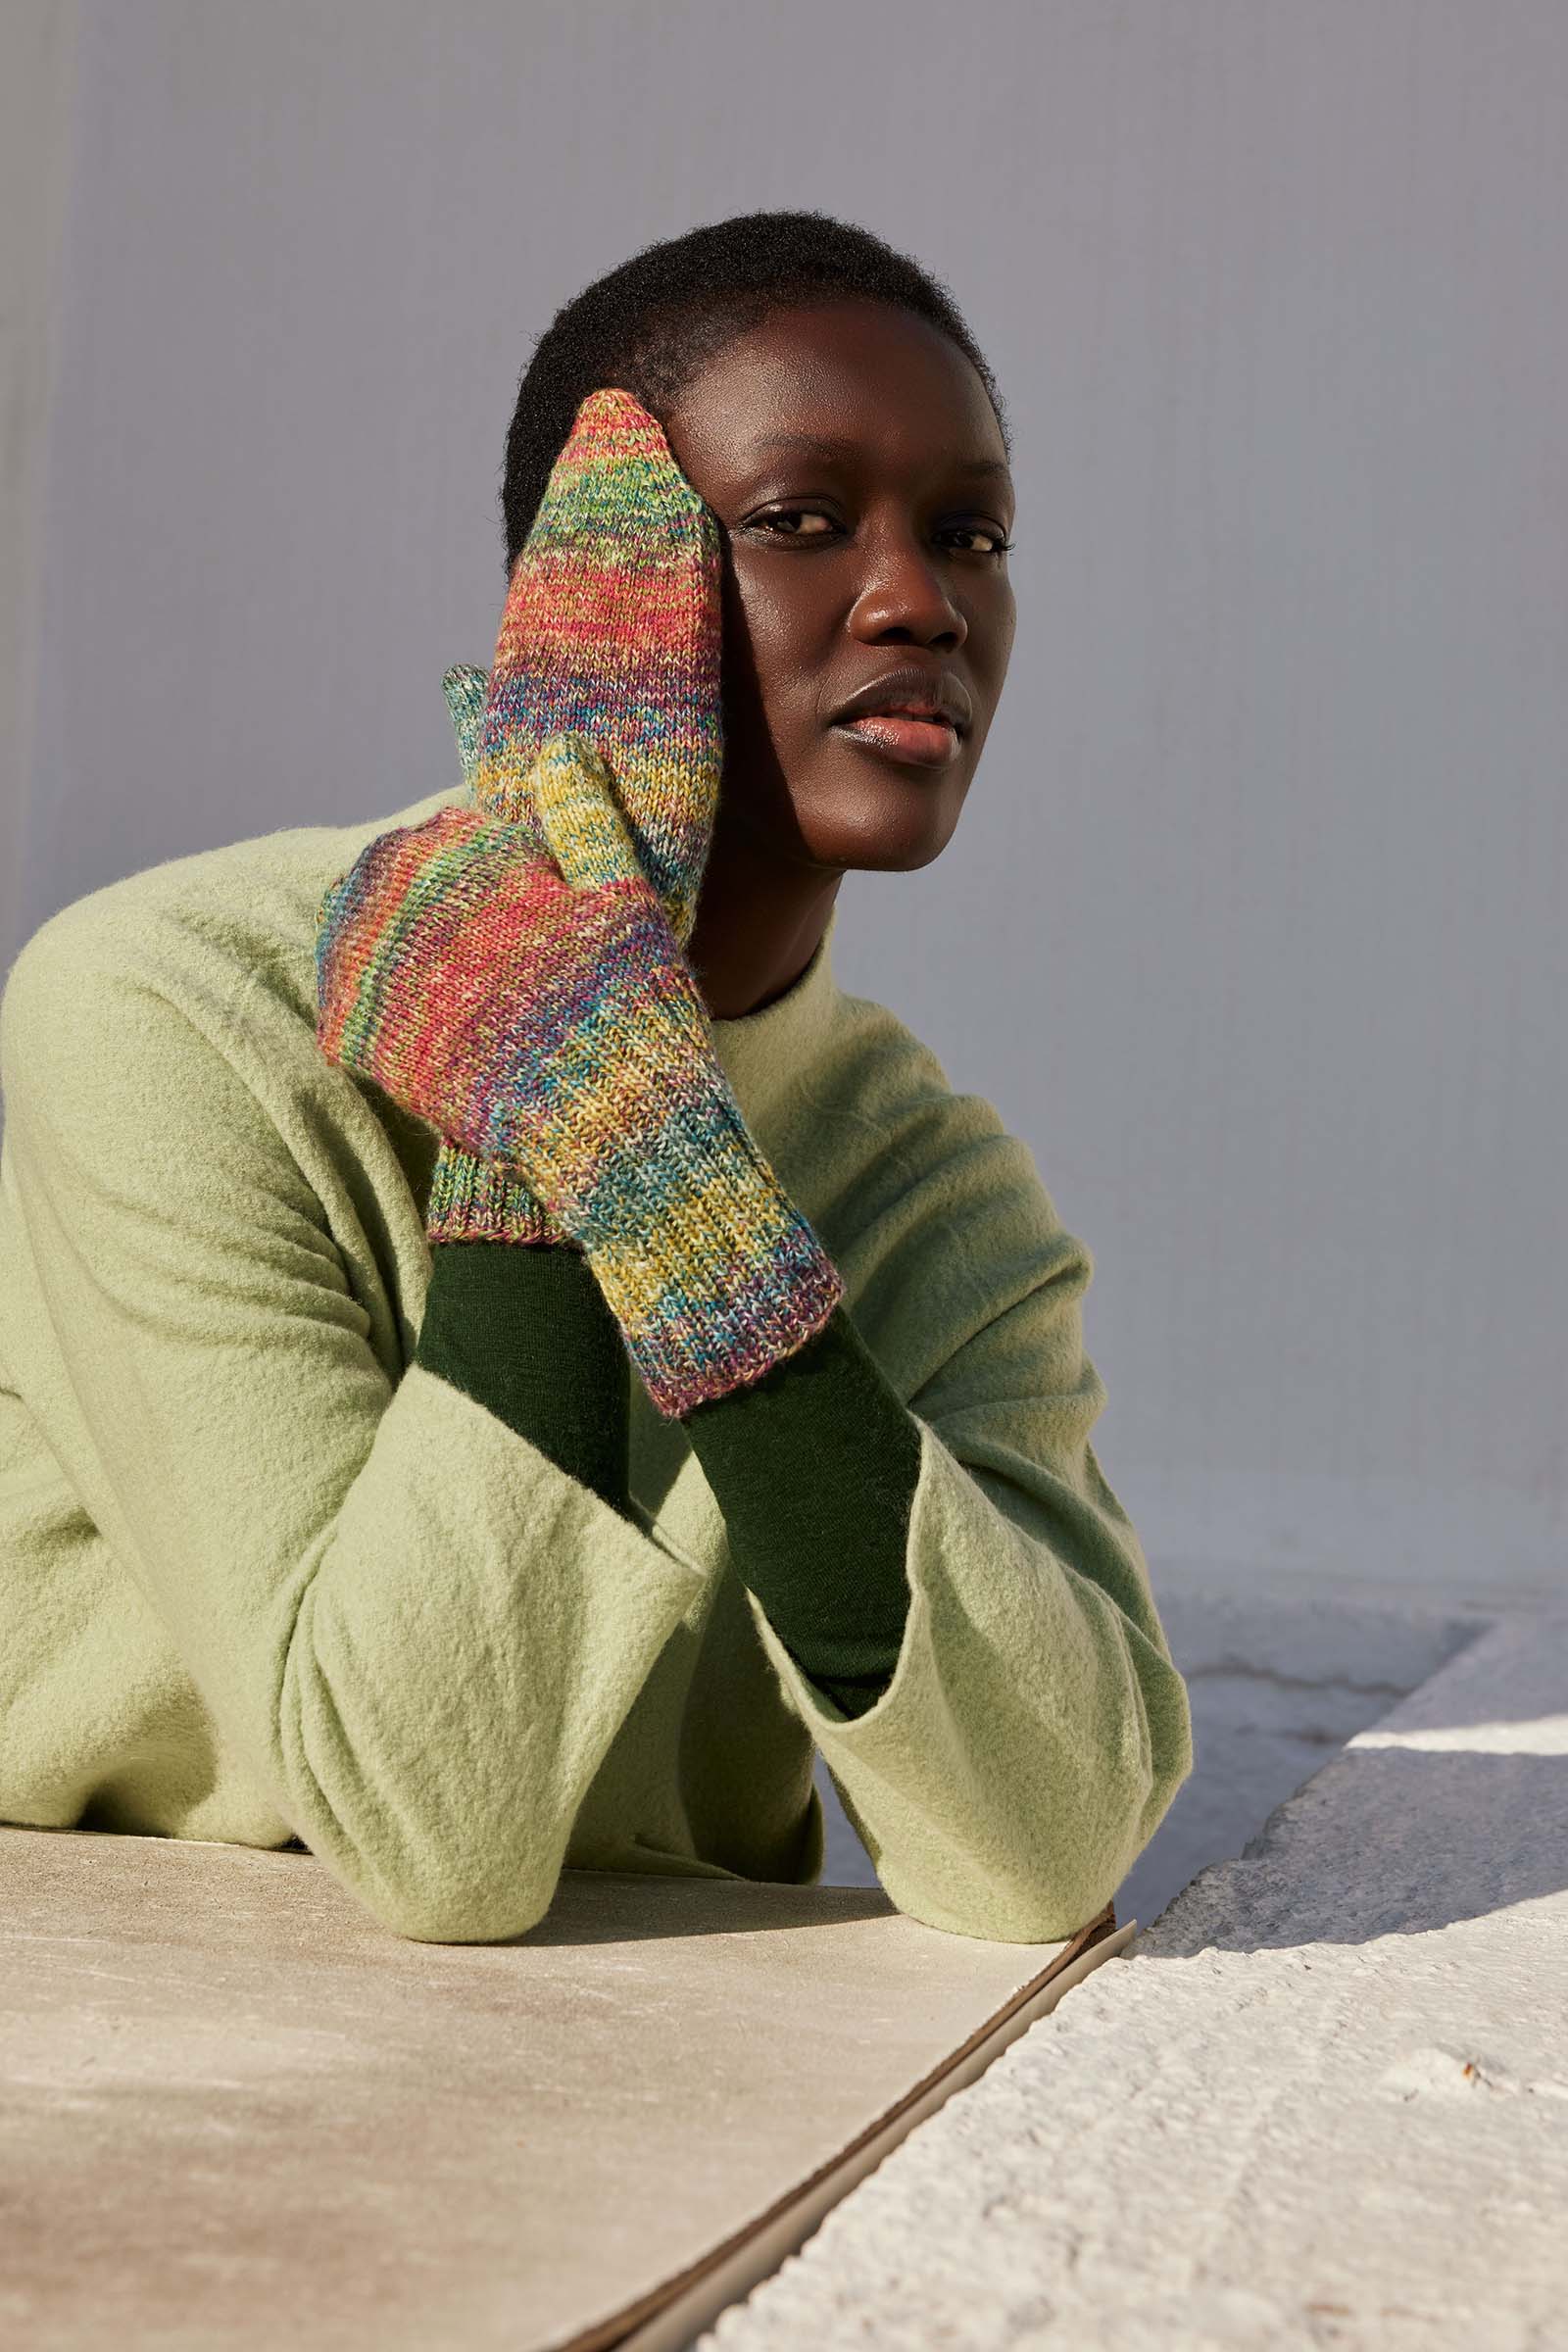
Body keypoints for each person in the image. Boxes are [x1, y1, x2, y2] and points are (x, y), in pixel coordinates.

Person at [0, 209, 1192, 1945]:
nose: (921, 601)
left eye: (971, 536)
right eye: (798, 522)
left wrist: (661, 1178)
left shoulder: (933, 1183)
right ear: (574, 597)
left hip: (668, 2044)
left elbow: (1049, 1848)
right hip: (132, 1992)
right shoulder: (171, 1005)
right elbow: (433, 1827)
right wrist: (543, 1113)